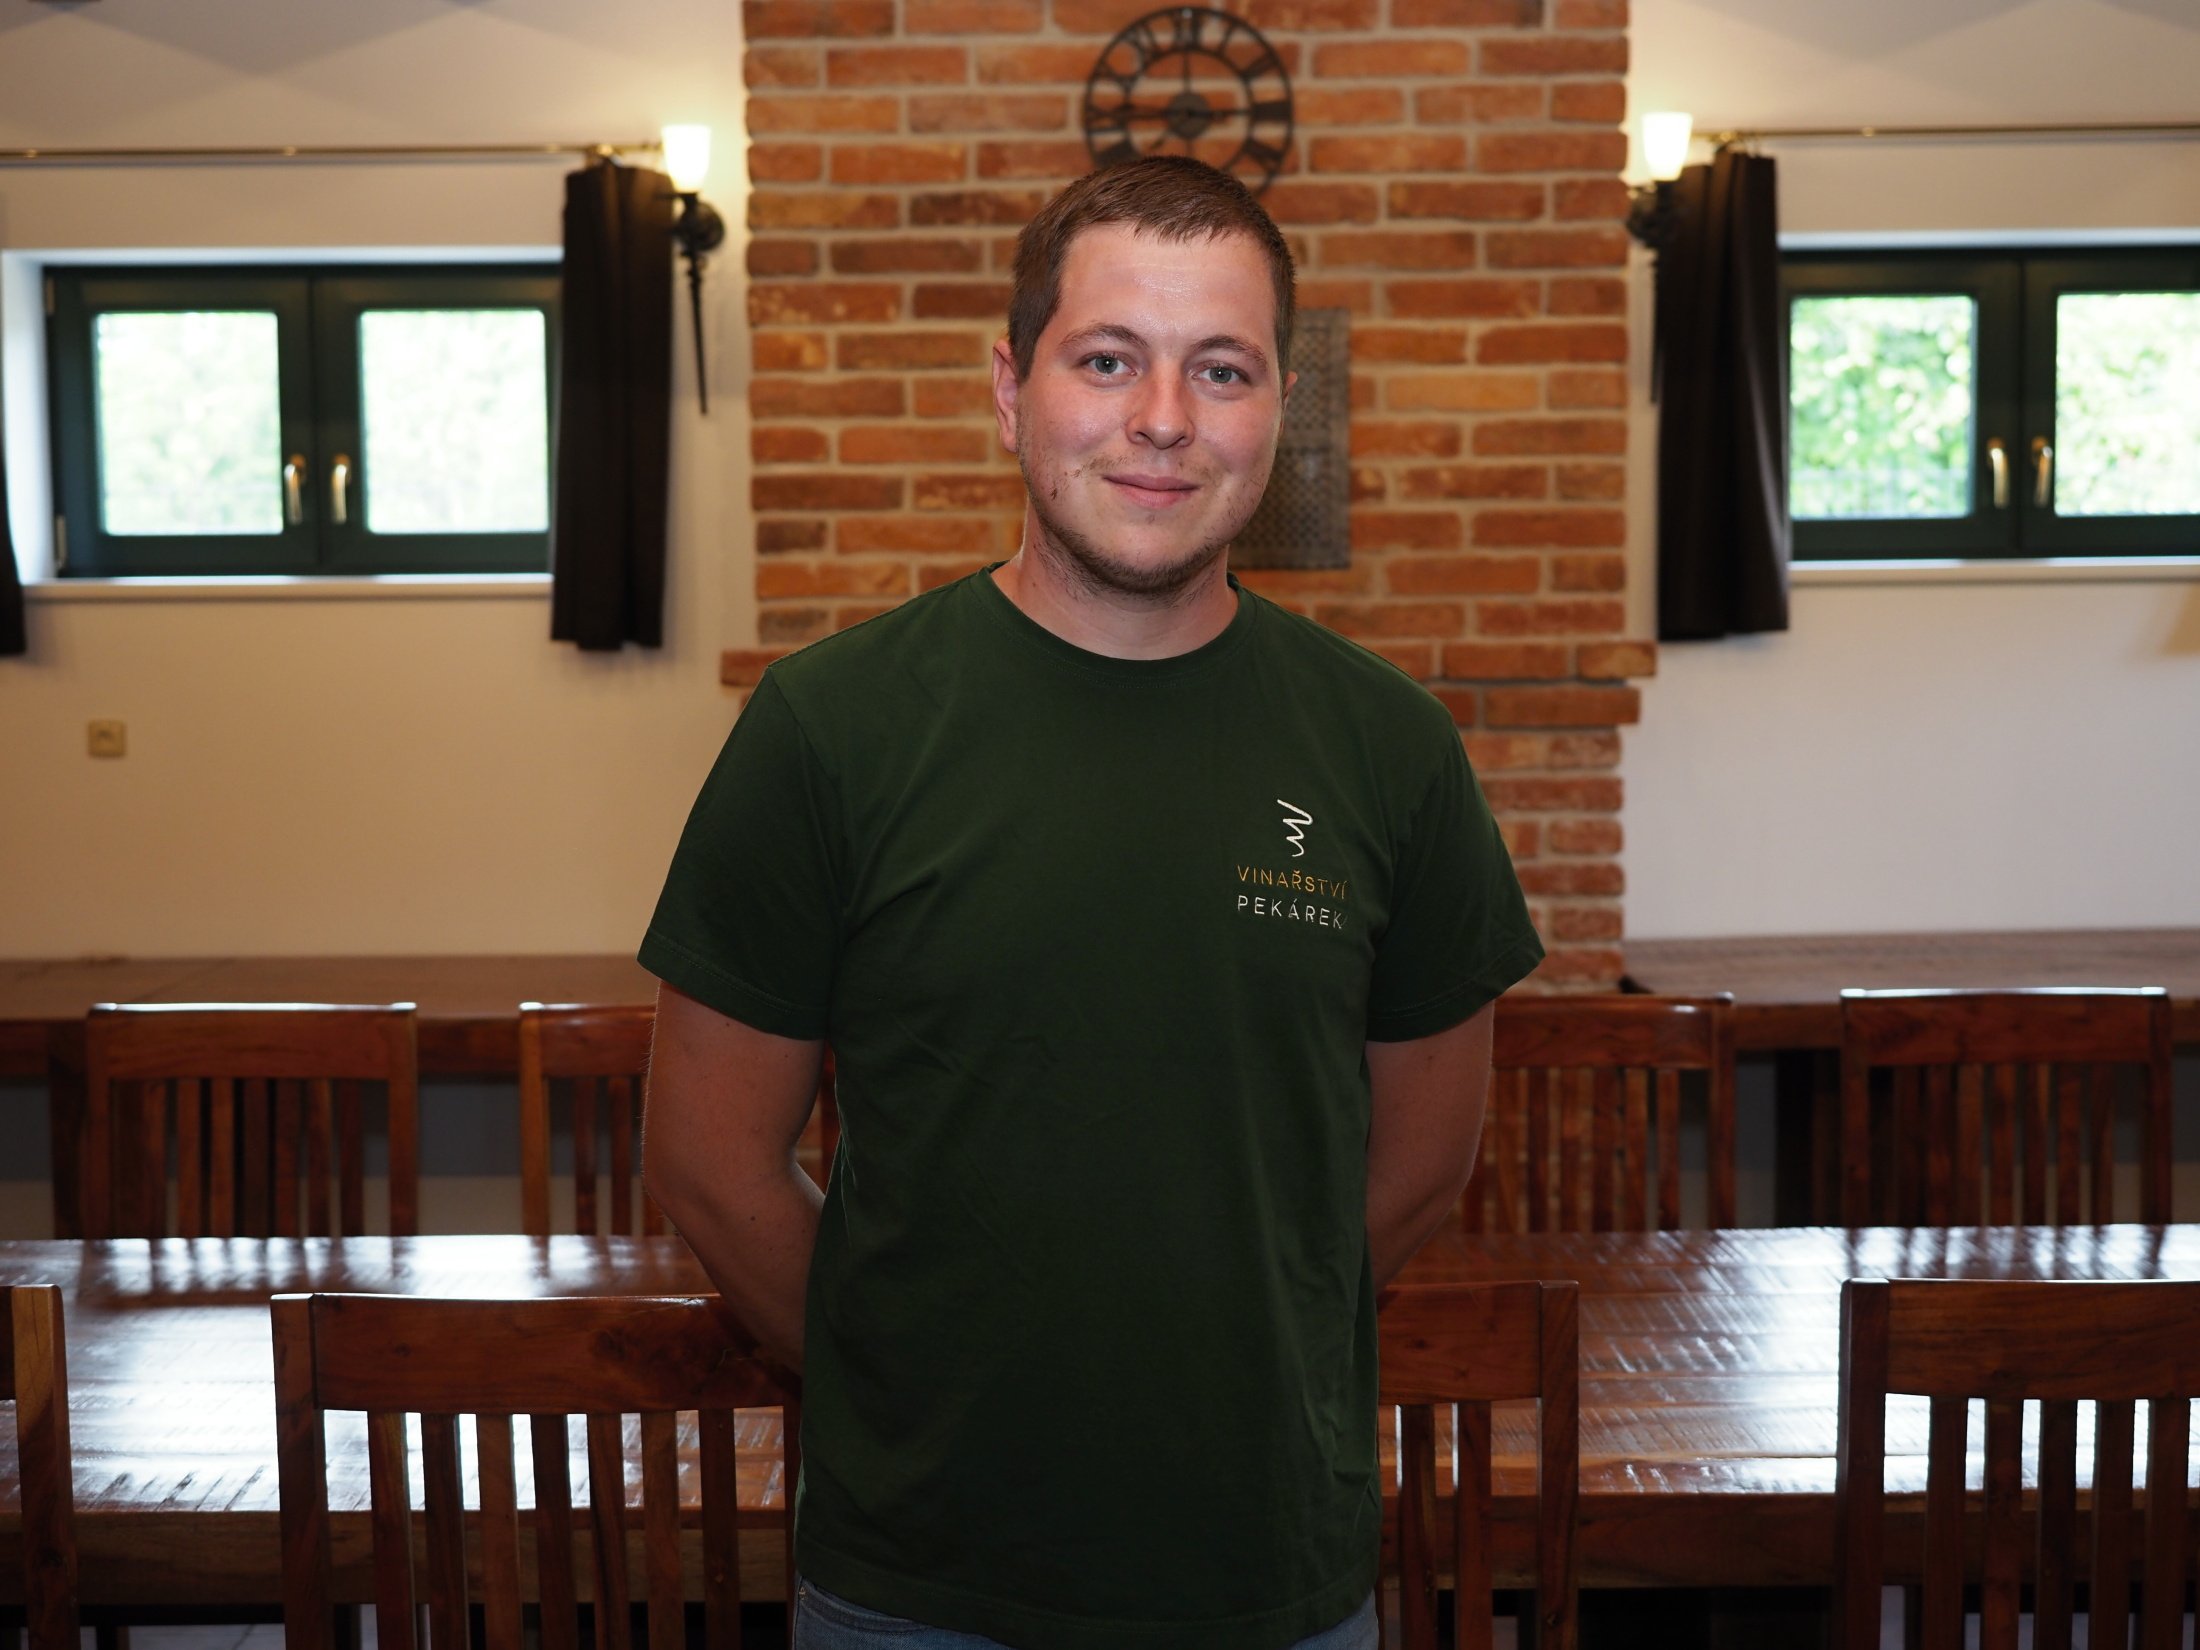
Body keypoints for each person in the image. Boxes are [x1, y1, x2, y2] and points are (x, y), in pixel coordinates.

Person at [640, 154, 1544, 1650]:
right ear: (1012, 390)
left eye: (1224, 369)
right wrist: (916, 1390)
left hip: (1272, 1577)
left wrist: (1235, 1362)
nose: (1165, 418)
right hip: (916, 1590)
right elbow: (710, 1161)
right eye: (1109, 359)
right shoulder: (828, 729)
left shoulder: (1391, 748)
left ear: (1281, 409)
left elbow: (1420, 1163)